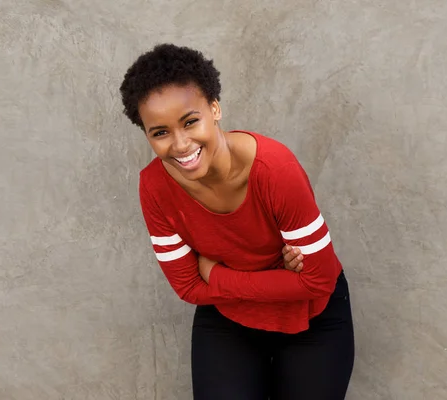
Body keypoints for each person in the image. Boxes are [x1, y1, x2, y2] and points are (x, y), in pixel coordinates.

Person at [119, 43, 355, 400]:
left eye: (190, 122)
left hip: (312, 318)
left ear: (214, 108)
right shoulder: (154, 187)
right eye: (160, 132)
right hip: (229, 319)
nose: (181, 144)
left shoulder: (275, 170)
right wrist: (282, 277)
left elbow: (319, 281)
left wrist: (215, 274)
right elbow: (187, 288)